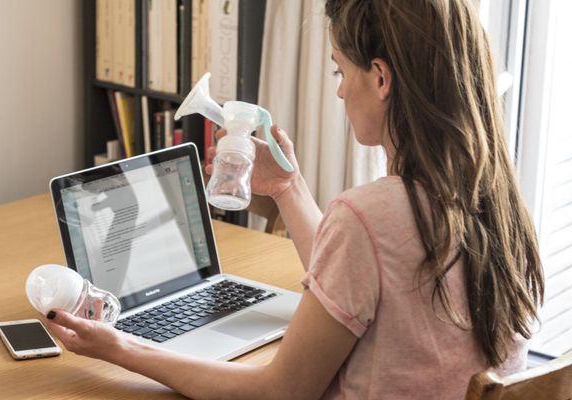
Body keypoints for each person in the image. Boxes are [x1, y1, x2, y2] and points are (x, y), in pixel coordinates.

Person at [45, 0, 545, 398]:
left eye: (339, 72)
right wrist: (288, 187)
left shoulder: (368, 215)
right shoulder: (494, 203)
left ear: (381, 78)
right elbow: (363, 273)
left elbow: (279, 391)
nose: (340, 92)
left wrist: (122, 348)